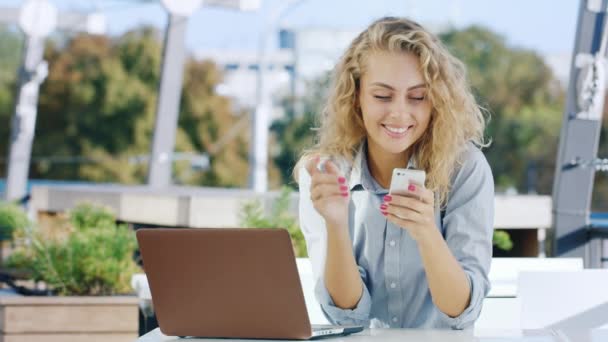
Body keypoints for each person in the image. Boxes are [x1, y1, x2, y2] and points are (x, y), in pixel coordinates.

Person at [294, 17, 494, 330]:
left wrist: (427, 231)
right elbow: (346, 315)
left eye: (417, 97)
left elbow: (461, 311)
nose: (399, 113)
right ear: (356, 97)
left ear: (436, 101)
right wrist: (335, 223)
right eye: (382, 96)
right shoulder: (326, 175)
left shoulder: (465, 168)